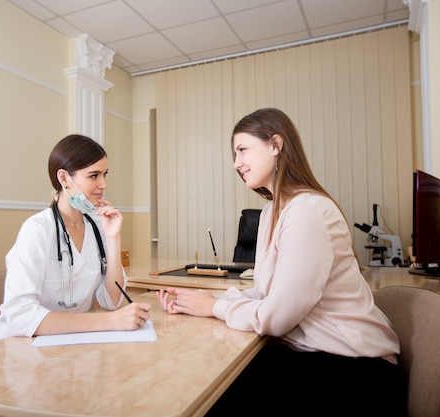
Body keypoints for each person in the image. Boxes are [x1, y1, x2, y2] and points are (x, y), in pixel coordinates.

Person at [158, 108, 406, 416]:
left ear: (276, 145)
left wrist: (214, 308)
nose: (236, 163)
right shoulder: (271, 213)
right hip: (313, 354)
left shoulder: (307, 210)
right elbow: (266, 295)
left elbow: (277, 318)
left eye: (242, 150)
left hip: (355, 369)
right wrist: (206, 301)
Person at [0, 134, 150, 345]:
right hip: (16, 346)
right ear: (64, 178)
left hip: (68, 345)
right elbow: (20, 316)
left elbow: (112, 301)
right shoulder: (37, 230)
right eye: (94, 176)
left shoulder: (98, 228)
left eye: (105, 174)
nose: (104, 184)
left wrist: (113, 239)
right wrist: (108, 321)